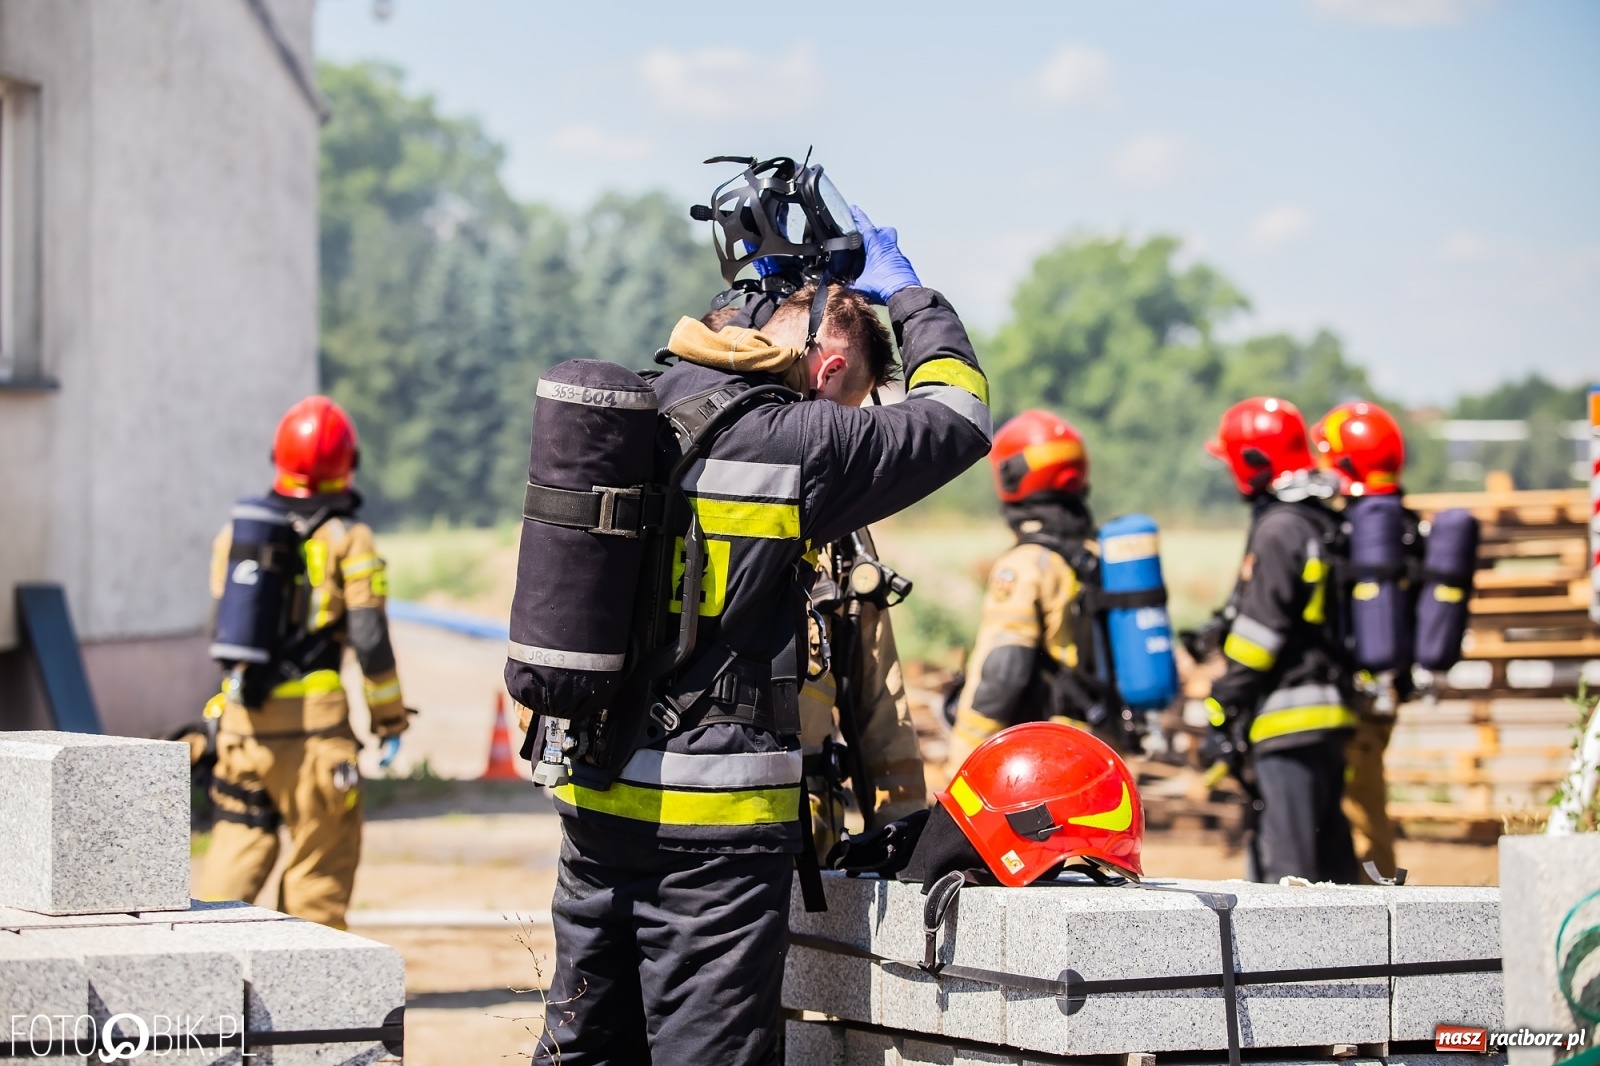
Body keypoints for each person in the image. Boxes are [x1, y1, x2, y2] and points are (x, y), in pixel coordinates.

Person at [537, 208, 990, 1066]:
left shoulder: (644, 411)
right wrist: (910, 297)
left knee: (588, 1051)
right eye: (853, 400)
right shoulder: (793, 442)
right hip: (714, 832)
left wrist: (762, 292)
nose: (852, 421)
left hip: (596, 802)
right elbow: (958, 417)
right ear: (824, 371)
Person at [703, 301, 927, 858]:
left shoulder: (841, 533)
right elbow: (884, 703)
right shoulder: (682, 474)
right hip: (768, 835)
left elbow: (878, 699)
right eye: (843, 413)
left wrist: (900, 838)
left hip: (798, 842)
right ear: (824, 373)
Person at [196, 396, 410, 929]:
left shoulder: (238, 534)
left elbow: (220, 626)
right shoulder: (348, 538)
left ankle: (200, 965)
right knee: (320, 870)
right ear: (348, 465)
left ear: (278, 456)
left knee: (234, 854)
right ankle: (310, 999)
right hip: (315, 737)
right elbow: (369, 636)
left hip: (244, 725)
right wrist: (389, 718)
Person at [1202, 396, 1359, 884]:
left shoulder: (1278, 528)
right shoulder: (1320, 519)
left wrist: (1222, 704)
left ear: (1253, 463)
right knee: (1332, 868)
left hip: (1286, 721)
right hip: (1329, 717)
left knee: (1290, 880)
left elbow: (1258, 638)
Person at [945, 410, 1110, 776]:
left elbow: (1003, 671)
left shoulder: (1025, 566)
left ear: (1012, 475)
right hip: (1094, 750)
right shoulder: (1098, 554)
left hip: (1042, 759)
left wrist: (963, 759)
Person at [1311, 399, 1415, 882]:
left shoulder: (1362, 531)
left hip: (1360, 699)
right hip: (1381, 691)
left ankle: (1380, 904)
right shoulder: (1401, 526)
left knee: (1362, 808)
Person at [799, 529, 927, 859]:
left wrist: (902, 847)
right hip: (666, 830)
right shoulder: (666, 502)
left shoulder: (838, 534)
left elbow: (882, 708)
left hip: (807, 849)